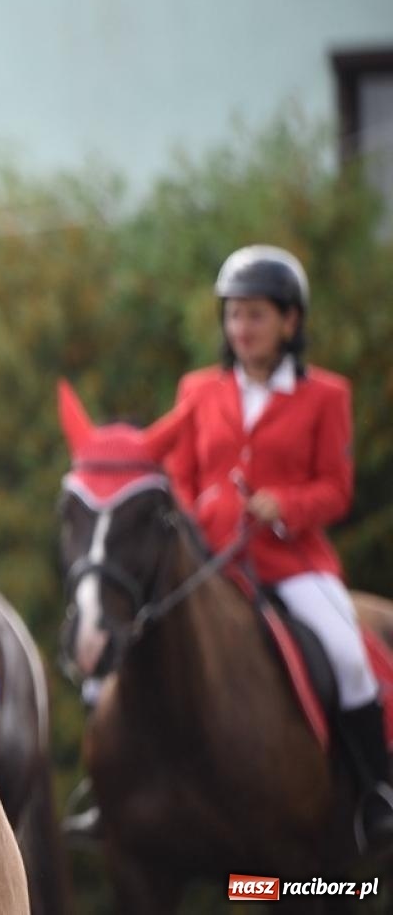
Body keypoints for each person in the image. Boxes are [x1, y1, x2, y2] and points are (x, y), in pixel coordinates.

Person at [163, 244, 393, 853]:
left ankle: (376, 793)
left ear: (290, 321)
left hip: (293, 565)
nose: (242, 329)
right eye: (234, 315)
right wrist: (196, 514)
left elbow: (337, 489)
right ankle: (117, 795)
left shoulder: (327, 396)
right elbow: (178, 477)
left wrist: (285, 506)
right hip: (212, 563)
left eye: (256, 315)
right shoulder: (196, 391)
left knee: (347, 654)